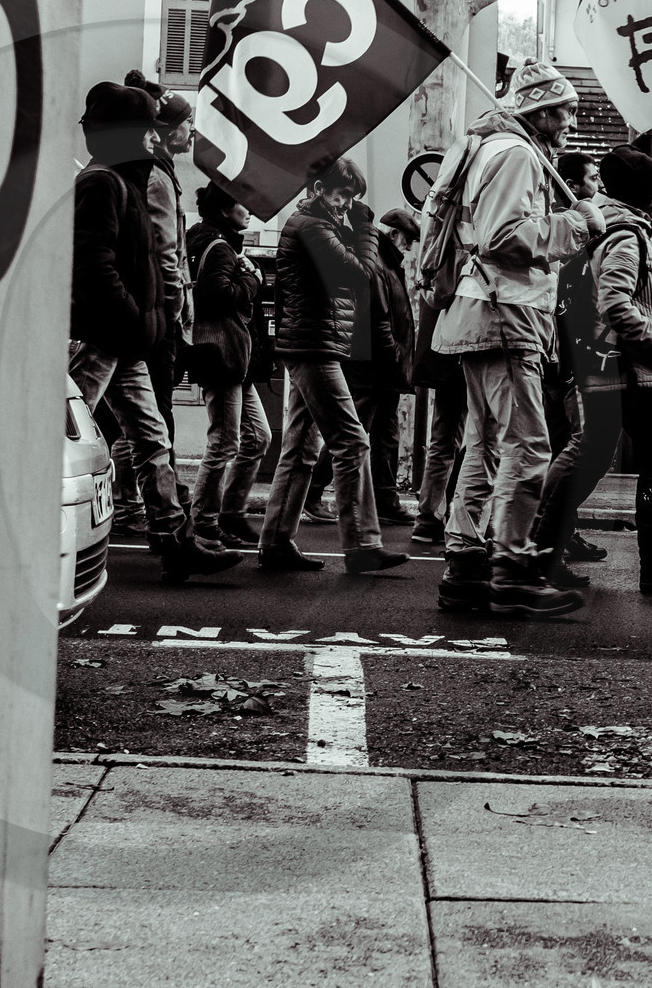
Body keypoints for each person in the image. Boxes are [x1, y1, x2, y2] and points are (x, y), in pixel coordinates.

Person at [427, 60, 605, 615]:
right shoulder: (518, 154)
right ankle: (513, 569)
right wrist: (579, 224)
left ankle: (464, 563)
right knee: (528, 446)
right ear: (541, 110)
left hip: (483, 312)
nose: (571, 122)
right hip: (507, 315)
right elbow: (505, 235)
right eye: (566, 111)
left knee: (483, 446)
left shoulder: (487, 148)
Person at [69, 82, 241, 583]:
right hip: (103, 338)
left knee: (152, 439)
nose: (153, 140)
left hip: (122, 340)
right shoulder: (103, 183)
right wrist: (136, 319)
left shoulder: (123, 181)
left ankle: (174, 540)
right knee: (62, 440)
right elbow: (94, 266)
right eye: (145, 132)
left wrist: (144, 324)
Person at [534, 146, 652, 592]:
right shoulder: (625, 235)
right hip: (628, 370)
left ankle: (541, 552)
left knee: (590, 457)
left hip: (605, 367)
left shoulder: (613, 229)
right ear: (638, 188)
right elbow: (615, 304)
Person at [258, 157, 410, 575]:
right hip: (312, 346)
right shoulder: (311, 227)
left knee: (302, 449)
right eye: (341, 195)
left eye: (352, 197)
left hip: (315, 343)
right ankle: (362, 545)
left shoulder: (319, 224)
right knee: (352, 441)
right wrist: (363, 228)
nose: (347, 204)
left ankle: (274, 543)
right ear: (318, 189)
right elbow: (361, 275)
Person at [110, 71, 195, 529]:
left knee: (144, 420)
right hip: (155, 315)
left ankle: (157, 515)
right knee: (148, 419)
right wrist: (174, 311)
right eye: (187, 123)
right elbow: (167, 251)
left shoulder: (156, 173)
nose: (192, 131)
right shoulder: (157, 178)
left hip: (147, 312)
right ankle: (141, 509)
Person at [302, 207, 418, 526]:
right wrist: (395, 354)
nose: (409, 248)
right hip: (372, 367)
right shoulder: (377, 263)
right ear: (394, 235)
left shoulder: (387, 263)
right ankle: (312, 492)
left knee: (385, 435)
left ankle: (386, 498)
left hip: (383, 369)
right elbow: (377, 319)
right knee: (353, 434)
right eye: (408, 241)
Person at [536, 151, 608, 583]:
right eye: (592, 178)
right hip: (563, 356)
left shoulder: (582, 228)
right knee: (577, 446)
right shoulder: (564, 229)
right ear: (571, 184)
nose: (597, 186)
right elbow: (561, 300)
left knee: (568, 445)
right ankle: (543, 530)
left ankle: (561, 530)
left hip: (564, 356)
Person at [185, 182, 270, 548]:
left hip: (235, 359)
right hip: (222, 356)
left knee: (258, 437)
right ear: (224, 210)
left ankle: (231, 513)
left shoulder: (215, 243)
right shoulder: (218, 248)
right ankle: (204, 521)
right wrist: (252, 279)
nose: (248, 209)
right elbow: (216, 296)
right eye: (242, 204)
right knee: (223, 443)